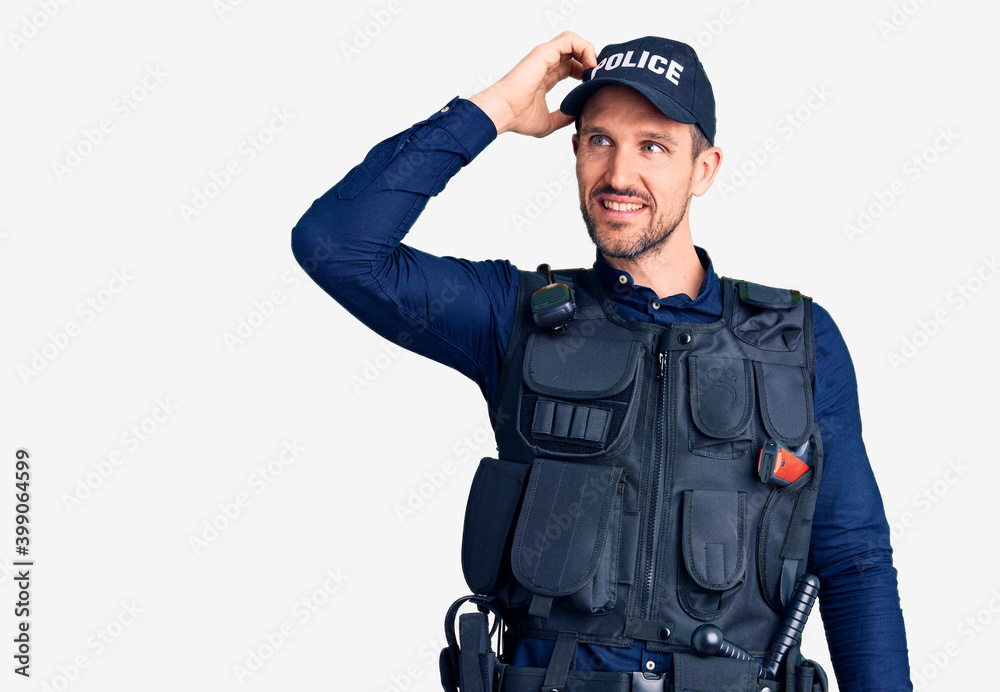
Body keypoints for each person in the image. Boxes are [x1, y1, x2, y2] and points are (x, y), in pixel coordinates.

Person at [291, 31, 911, 692]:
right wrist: (494, 108)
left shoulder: (798, 342)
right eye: (599, 140)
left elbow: (854, 562)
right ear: (576, 152)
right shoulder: (513, 315)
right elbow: (335, 245)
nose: (618, 175)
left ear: (704, 169)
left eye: (653, 146)